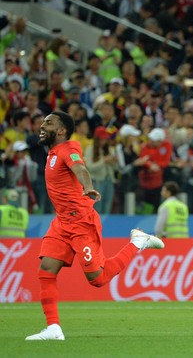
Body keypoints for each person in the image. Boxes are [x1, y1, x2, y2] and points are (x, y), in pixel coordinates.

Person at [25, 111, 165, 341]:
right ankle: (53, 328)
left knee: (98, 280)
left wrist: (87, 186)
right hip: (61, 222)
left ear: (61, 130)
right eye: (43, 121)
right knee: (46, 270)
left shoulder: (69, 148)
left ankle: (137, 242)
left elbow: (79, 168)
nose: (42, 125)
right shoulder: (52, 152)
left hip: (80, 221)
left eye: (48, 123)